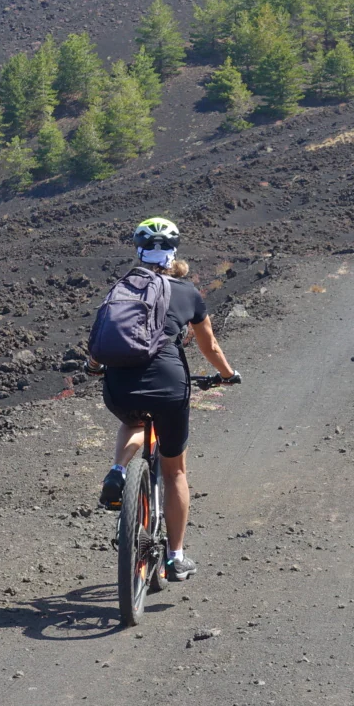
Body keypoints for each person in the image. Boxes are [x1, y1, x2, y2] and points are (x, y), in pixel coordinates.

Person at [94, 217, 240, 582]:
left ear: (138, 252)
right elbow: (210, 345)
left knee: (133, 422)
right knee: (174, 471)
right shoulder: (187, 291)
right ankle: (174, 557)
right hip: (169, 383)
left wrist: (92, 366)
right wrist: (226, 374)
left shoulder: (123, 288)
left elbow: (101, 338)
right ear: (174, 254)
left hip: (120, 383)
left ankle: (118, 472)